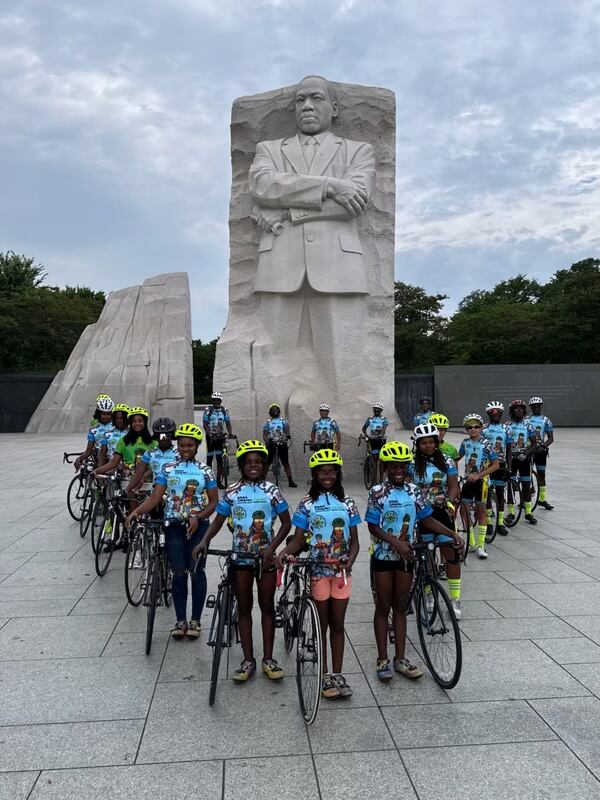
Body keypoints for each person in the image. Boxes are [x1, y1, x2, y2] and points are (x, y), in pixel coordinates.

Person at [194, 440, 291, 682]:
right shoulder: (233, 491)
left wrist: (272, 548)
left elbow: (287, 523)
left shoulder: (272, 491)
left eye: (258, 461)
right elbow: (218, 521)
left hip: (265, 558)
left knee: (267, 606)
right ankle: (249, 660)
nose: (253, 466)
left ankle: (269, 659)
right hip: (240, 558)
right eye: (248, 462)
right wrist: (205, 540)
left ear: (266, 464)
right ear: (241, 465)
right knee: (245, 608)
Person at [366, 441, 463, 682]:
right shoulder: (377, 491)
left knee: (400, 608)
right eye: (393, 467)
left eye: (402, 467)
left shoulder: (414, 492)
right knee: (383, 607)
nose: (398, 471)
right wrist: (396, 542)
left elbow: (427, 519)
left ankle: (400, 659)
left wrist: (452, 534)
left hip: (407, 558)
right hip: (384, 557)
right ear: (386, 468)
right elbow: (373, 525)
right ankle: (382, 659)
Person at [277, 449, 360, 699]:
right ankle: (324, 675)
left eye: (332, 471)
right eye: (322, 472)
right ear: (314, 475)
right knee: (321, 626)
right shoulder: (306, 503)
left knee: (338, 626)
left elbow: (355, 542)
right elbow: (299, 540)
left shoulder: (348, 502)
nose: (327, 475)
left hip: (342, 573)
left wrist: (351, 560)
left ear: (338, 473)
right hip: (318, 572)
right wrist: (283, 552)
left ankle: (337, 673)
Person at [126, 423, 218, 639]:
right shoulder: (168, 469)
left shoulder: (205, 471)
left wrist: (198, 517)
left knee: (196, 572)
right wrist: (136, 512)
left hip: (198, 527)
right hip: (173, 526)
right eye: (182, 445)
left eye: (190, 445)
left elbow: (214, 502)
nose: (185, 449)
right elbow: (156, 498)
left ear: (196, 447)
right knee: (178, 573)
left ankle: (195, 620)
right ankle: (180, 620)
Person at [409, 423, 462, 618]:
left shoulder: (446, 460)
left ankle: (455, 599)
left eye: (432, 442)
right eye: (424, 443)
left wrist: (450, 502)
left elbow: (453, 486)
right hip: (421, 514)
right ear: (417, 444)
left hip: (441, 511)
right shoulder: (411, 462)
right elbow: (406, 485)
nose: (428, 446)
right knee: (427, 554)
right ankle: (429, 593)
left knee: (450, 553)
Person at [456, 414, 500, 558]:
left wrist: (479, 475)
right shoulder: (465, 443)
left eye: (476, 426)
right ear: (466, 429)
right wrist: (455, 473)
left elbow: (496, 465)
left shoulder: (487, 444)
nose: (473, 429)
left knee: (481, 512)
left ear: (481, 428)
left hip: (482, 482)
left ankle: (481, 545)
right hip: (468, 481)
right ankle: (472, 542)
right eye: (469, 427)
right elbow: (457, 458)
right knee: (464, 512)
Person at [92, 407, 157, 477]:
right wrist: (96, 471)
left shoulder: (153, 442)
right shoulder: (123, 441)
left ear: (145, 422)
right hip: (127, 480)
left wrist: (141, 477)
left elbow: (156, 466)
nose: (137, 423)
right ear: (130, 423)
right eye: (134, 421)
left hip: (148, 482)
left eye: (140, 421)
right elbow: (114, 463)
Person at [482, 401, 512, 536]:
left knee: (500, 493)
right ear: (489, 414)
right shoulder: (483, 429)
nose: (495, 414)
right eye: (493, 412)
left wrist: (509, 467)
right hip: (487, 466)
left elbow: (509, 449)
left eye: (498, 412)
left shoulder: (507, 429)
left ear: (501, 413)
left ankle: (500, 523)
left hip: (500, 465)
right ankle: (488, 522)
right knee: (487, 494)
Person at [127, 417, 178, 496]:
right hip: (155, 495)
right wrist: (126, 490)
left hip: (174, 495)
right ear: (156, 436)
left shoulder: (178, 454)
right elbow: (138, 475)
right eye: (160, 436)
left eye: (166, 435)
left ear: (172, 435)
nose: (163, 439)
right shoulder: (150, 453)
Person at [506, 400, 538, 525]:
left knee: (525, 485)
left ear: (524, 411)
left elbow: (534, 444)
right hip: (512, 459)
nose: (519, 410)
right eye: (516, 408)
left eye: (521, 408)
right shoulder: (507, 425)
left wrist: (525, 454)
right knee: (511, 485)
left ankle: (529, 512)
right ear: (512, 411)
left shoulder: (528, 425)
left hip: (525, 458)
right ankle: (511, 513)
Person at [527, 396, 554, 510]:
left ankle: (542, 499)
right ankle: (525, 499)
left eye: (538, 405)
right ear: (531, 407)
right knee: (526, 476)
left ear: (541, 406)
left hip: (540, 451)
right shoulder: (526, 419)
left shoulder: (546, 420)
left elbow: (550, 438)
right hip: (529, 450)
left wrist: (544, 446)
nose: (536, 408)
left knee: (541, 475)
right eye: (534, 406)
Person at [202, 391, 234, 488]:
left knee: (219, 459)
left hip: (220, 436)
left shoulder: (224, 410)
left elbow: (228, 423)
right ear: (212, 400)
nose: (216, 401)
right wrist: (210, 434)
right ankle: (208, 481)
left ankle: (219, 482)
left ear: (221, 401)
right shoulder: (208, 410)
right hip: (211, 437)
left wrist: (230, 433)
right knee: (210, 459)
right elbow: (205, 424)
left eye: (218, 400)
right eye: (214, 400)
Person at [262, 403, 298, 487]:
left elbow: (287, 432)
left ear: (279, 411)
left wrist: (286, 438)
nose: (275, 411)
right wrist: (267, 441)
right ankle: (262, 480)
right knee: (267, 462)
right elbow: (265, 435)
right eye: (273, 410)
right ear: (270, 412)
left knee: (286, 463)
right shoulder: (268, 422)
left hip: (282, 442)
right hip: (271, 442)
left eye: (276, 410)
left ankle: (290, 481)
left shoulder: (283, 421)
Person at [74, 396, 114, 470]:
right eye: (103, 414)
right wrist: (79, 458)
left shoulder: (115, 428)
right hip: (99, 459)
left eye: (108, 414)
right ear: (99, 414)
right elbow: (88, 450)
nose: (106, 416)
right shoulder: (94, 430)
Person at [361, 401, 389, 481]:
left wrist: (381, 434)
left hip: (381, 441)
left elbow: (384, 428)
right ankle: (374, 480)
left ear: (381, 410)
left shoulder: (384, 419)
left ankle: (381, 480)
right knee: (374, 460)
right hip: (372, 441)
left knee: (381, 460)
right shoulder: (370, 419)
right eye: (375, 409)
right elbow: (364, 429)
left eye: (378, 409)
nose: (376, 411)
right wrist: (367, 436)